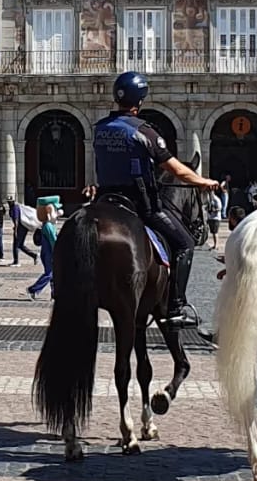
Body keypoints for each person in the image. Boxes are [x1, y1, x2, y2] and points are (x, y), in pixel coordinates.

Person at [92, 71, 220, 329]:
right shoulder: (144, 131)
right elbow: (177, 170)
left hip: (105, 200)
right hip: (140, 203)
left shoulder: (100, 129)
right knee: (184, 243)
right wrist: (205, 182)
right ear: (140, 101)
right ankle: (176, 305)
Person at [26, 200, 60, 300]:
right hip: (48, 253)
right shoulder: (48, 226)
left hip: (48, 253)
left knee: (53, 275)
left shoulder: (50, 225)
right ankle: (33, 289)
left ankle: (54, 294)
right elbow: (53, 241)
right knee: (49, 274)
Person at [8, 196, 38, 264]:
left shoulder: (15, 208)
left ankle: (16, 261)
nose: (9, 203)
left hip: (20, 228)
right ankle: (34, 255)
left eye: (10, 202)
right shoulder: (14, 207)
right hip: (23, 227)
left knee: (16, 244)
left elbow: (16, 219)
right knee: (20, 245)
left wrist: (15, 229)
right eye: (8, 202)